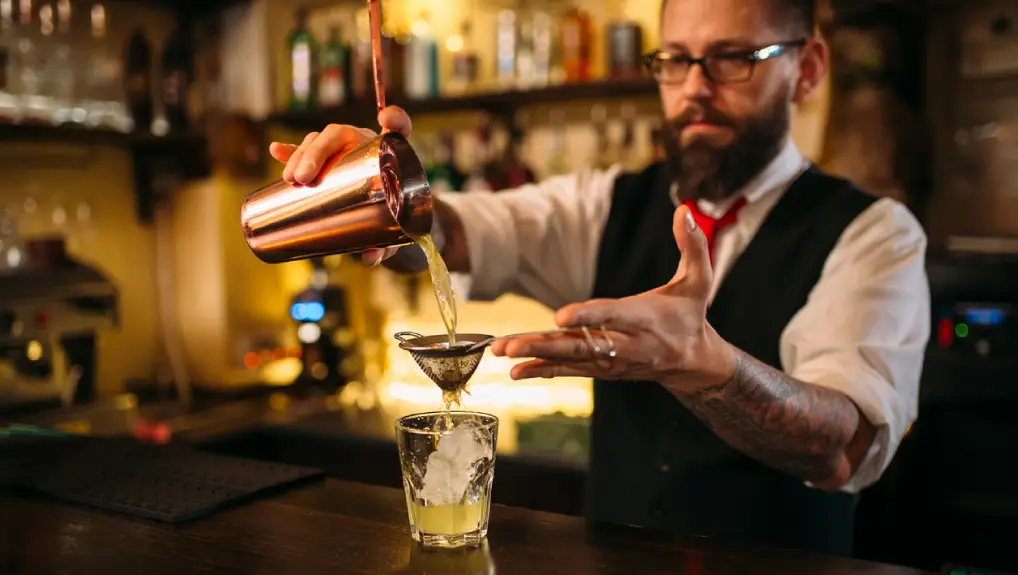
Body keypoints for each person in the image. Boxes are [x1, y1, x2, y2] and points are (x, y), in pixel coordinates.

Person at [268, 0, 929, 557]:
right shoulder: (605, 204)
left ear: (807, 69)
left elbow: (843, 444)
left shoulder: (874, 233)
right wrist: (384, 195)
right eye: (673, 61)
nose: (694, 87)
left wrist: (711, 368)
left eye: (732, 59)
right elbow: (457, 231)